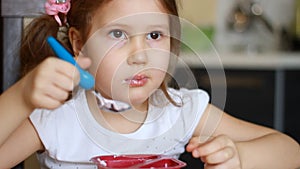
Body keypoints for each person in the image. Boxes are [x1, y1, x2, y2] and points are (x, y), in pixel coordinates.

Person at [0, 0, 299, 168]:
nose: (140, 56)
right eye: (118, 35)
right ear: (79, 44)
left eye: (155, 36)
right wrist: (22, 97)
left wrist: (240, 157)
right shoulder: (58, 118)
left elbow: (290, 152)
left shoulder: (179, 112)